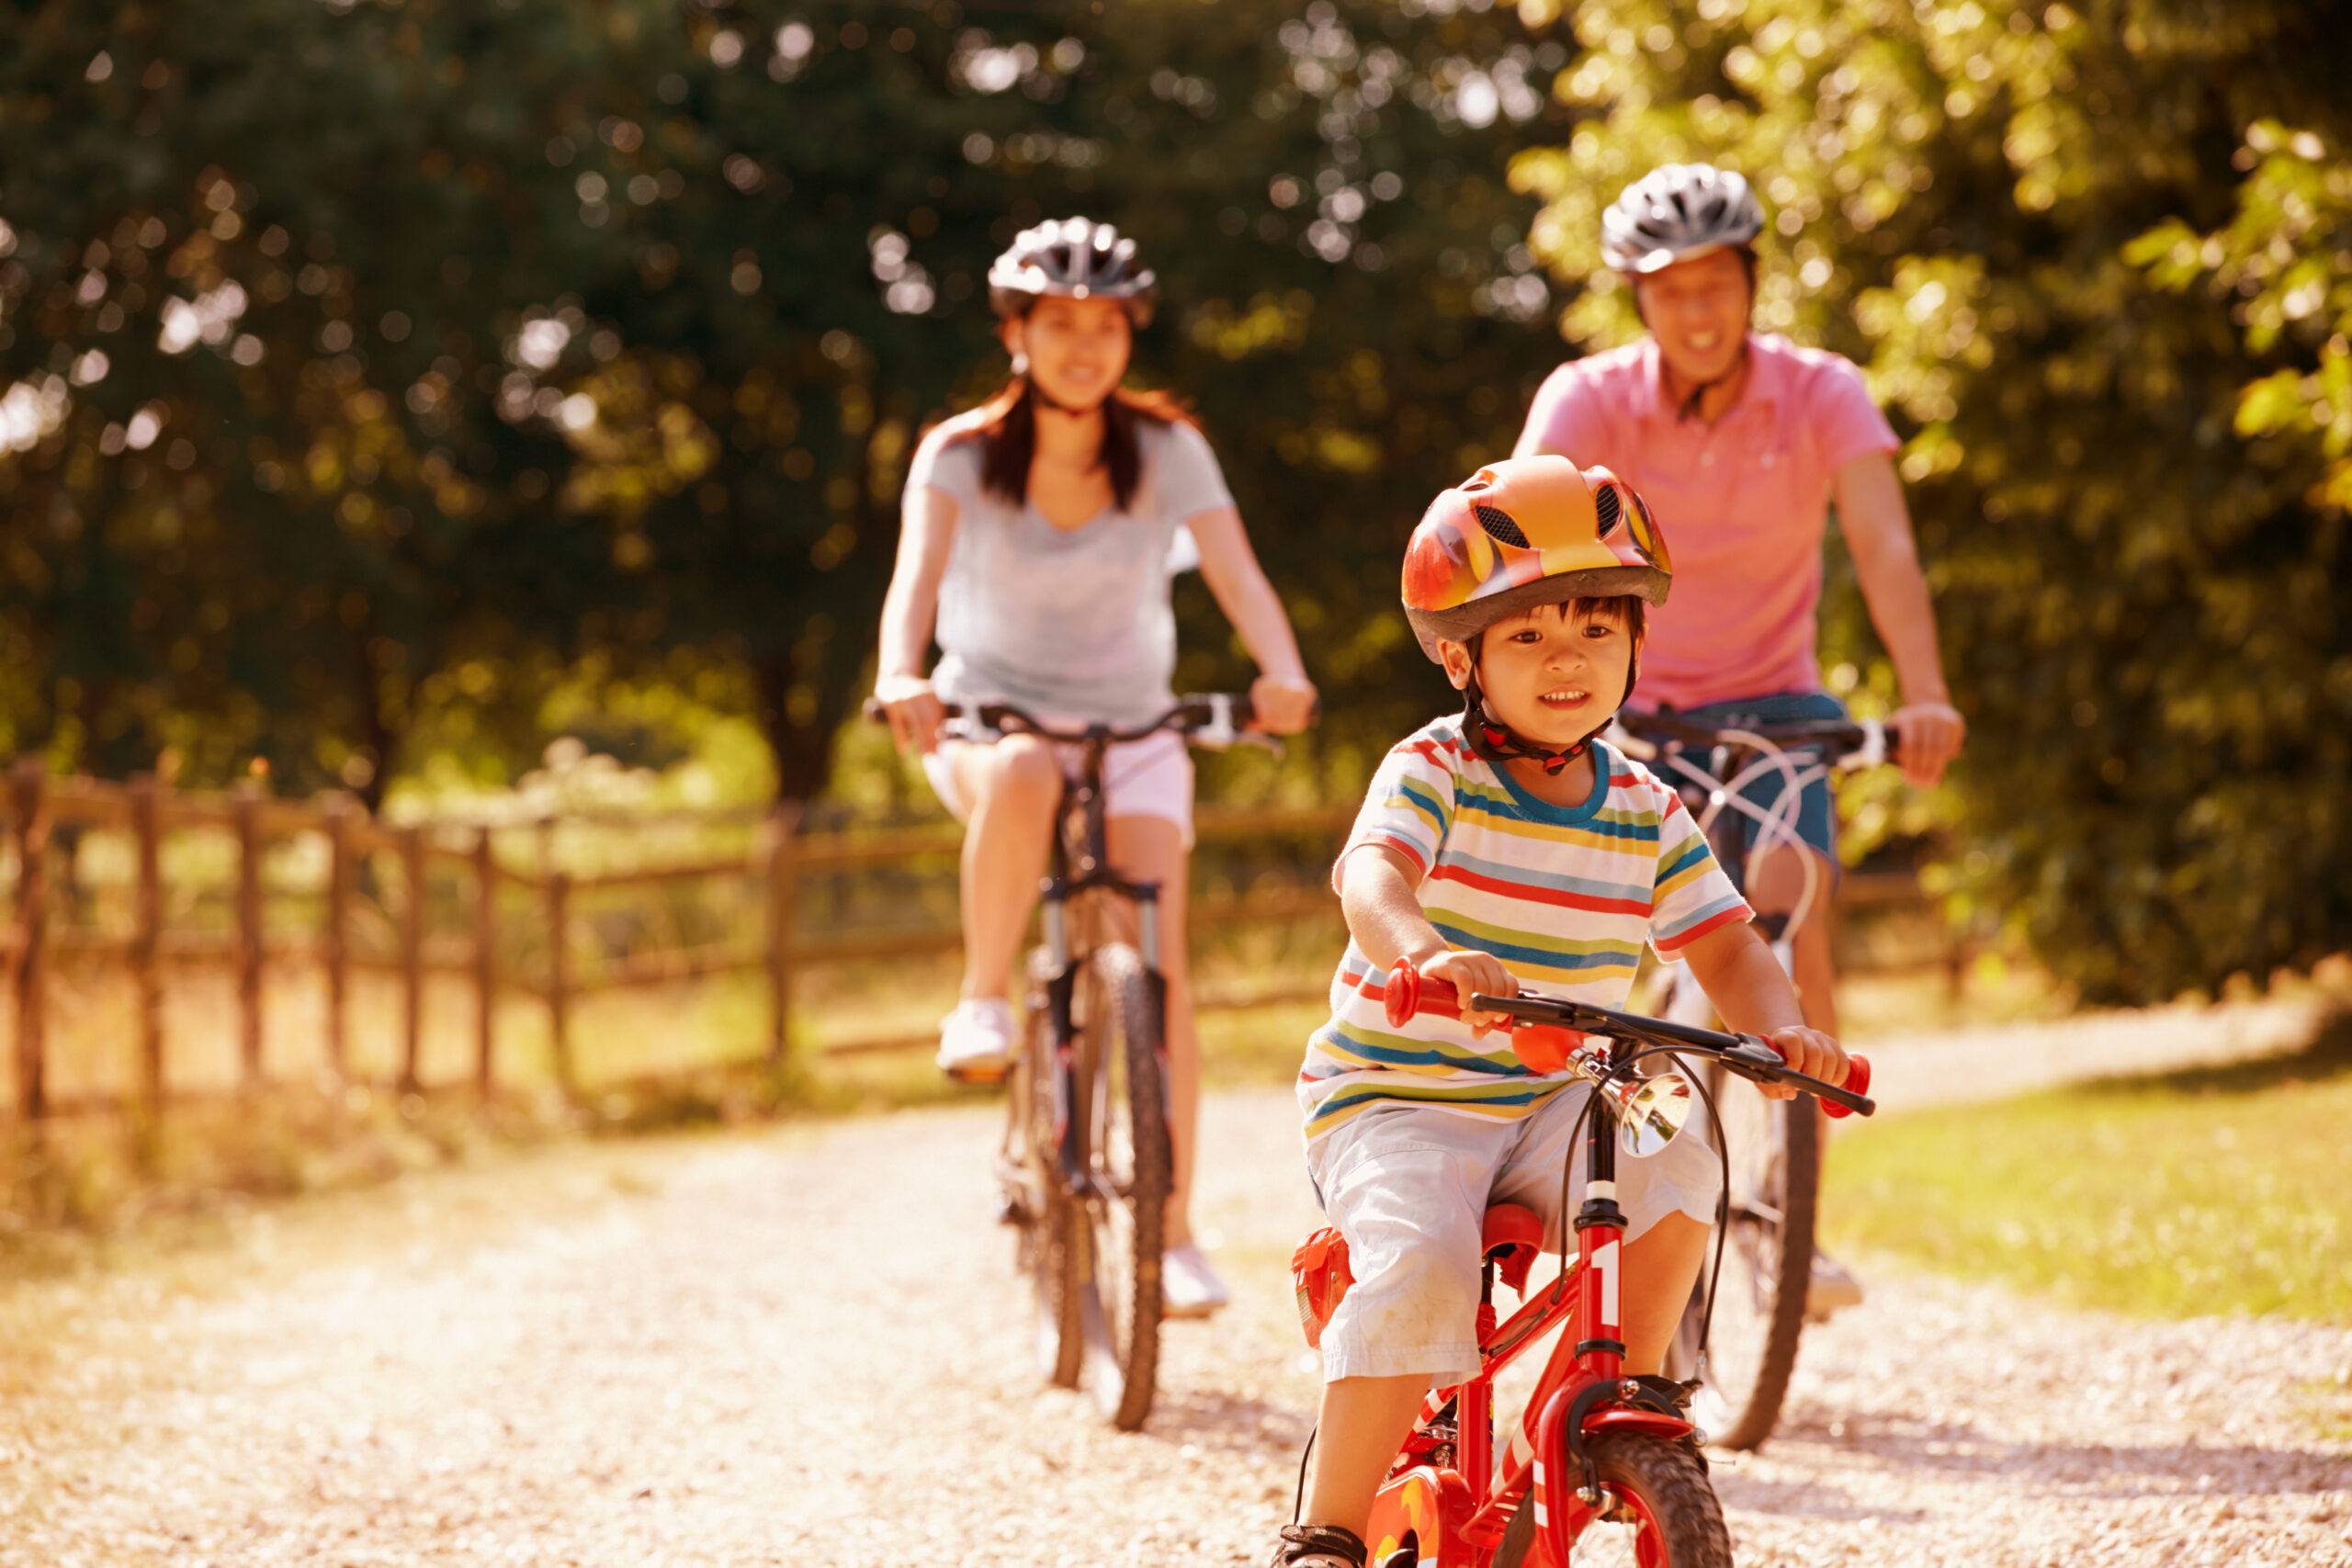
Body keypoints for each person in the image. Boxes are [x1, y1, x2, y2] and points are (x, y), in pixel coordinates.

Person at [1269, 456, 1849, 1568]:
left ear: (1636, 641)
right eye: (1527, 634)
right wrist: (1425, 953)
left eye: (1594, 627)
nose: (1566, 658)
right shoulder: (1432, 768)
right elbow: (1372, 878)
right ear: (1461, 658)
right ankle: (1326, 1532)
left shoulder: (1644, 805)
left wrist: (1783, 1030)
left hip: (1557, 1094)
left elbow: (1726, 942)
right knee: (1422, 1268)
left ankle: (1631, 1393)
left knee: (1678, 1149)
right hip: (1400, 1098)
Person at [1513, 162, 1965, 1313]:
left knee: (1788, 902)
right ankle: (1590, 1174)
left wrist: (1922, 693)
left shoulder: (1820, 393)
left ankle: (1781, 1211)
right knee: (1607, 946)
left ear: (1752, 284)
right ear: (1638, 299)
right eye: (1671, 291)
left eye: (1716, 284)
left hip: (1776, 707)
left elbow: (1886, 549)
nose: (1697, 311)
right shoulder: (1589, 399)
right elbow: (1524, 535)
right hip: (1631, 709)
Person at [873, 217, 1317, 1317]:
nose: (1084, 346)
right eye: (1059, 324)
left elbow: (1238, 574)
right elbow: (914, 581)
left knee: (1155, 963)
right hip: (988, 721)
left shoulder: (1167, 450)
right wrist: (900, 674)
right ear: (1015, 334)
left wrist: (1281, 669)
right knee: (1024, 771)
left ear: (1130, 337)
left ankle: (1171, 1233)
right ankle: (983, 1001)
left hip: (1132, 729)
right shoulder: (959, 454)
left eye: (1106, 327)